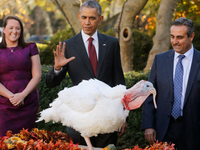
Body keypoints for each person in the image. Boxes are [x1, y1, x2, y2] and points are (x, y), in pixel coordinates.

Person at [45, 0, 126, 148]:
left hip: (107, 118)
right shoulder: (67, 46)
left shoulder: (112, 43)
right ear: (79, 16)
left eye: (92, 18)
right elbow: (50, 83)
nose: (87, 22)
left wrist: (122, 115)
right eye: (84, 17)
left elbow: (118, 81)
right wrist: (56, 68)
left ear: (100, 19)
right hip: (79, 121)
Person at [142, 17, 200, 150]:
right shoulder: (160, 60)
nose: (175, 42)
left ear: (191, 36)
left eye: (179, 37)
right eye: (172, 37)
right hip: (163, 129)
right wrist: (148, 125)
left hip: (194, 131)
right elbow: (149, 94)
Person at [0, 15, 41, 137]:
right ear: (4, 29)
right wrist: (12, 97)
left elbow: (37, 75)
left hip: (28, 103)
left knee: (27, 141)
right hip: (3, 105)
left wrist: (22, 96)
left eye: (18, 28)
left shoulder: (31, 47)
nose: (14, 31)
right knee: (5, 142)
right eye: (11, 28)